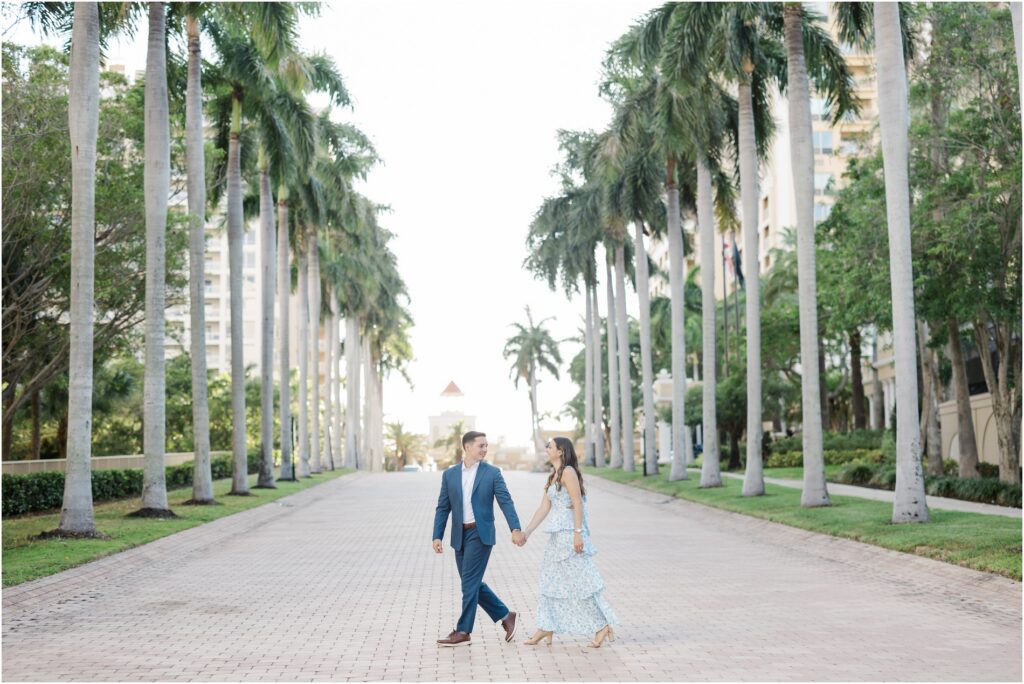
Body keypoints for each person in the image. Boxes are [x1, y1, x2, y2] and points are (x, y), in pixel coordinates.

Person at [519, 437, 618, 648]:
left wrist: (578, 533)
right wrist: (527, 532)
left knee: (581, 582)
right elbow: (543, 508)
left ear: (561, 451)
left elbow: (576, 503)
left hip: (569, 535)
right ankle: (546, 626)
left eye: (550, 446)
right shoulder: (553, 475)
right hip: (556, 537)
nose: (546, 449)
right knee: (551, 581)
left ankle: (602, 625)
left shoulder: (568, 472)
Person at [432, 430, 524, 647]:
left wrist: (515, 528)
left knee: (469, 584)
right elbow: (443, 507)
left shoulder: (492, 473)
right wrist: (437, 535)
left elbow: (506, 501)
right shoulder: (450, 474)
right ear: (467, 447)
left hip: (480, 534)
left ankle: (463, 631)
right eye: (481, 445)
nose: (485, 449)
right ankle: (506, 615)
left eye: (486, 445)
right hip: (459, 536)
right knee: (470, 583)